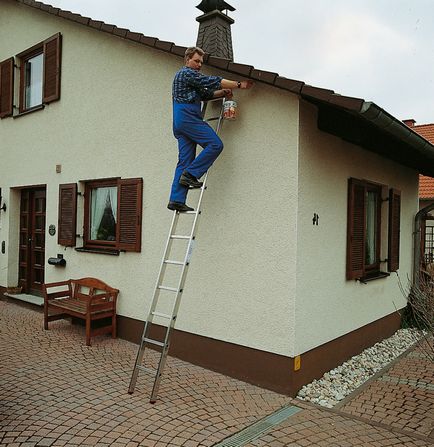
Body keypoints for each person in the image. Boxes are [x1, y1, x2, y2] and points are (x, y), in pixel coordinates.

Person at [168, 46, 254, 212]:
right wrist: (239, 85)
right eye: (197, 61)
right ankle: (191, 174)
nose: (199, 64)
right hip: (188, 117)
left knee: (184, 161)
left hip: (181, 121)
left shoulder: (188, 79)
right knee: (215, 144)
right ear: (187, 60)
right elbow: (213, 81)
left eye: (201, 62)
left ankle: (176, 200)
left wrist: (223, 93)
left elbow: (206, 94)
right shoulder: (186, 73)